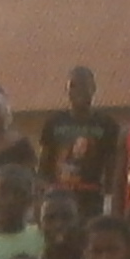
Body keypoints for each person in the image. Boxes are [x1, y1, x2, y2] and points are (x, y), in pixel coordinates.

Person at [42, 64, 122, 207]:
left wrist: (110, 200)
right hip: (60, 202)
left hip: (92, 202)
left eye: (84, 85)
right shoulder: (53, 123)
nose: (79, 90)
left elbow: (113, 168)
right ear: (66, 90)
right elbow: (44, 166)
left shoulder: (107, 125)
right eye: (73, 86)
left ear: (93, 89)